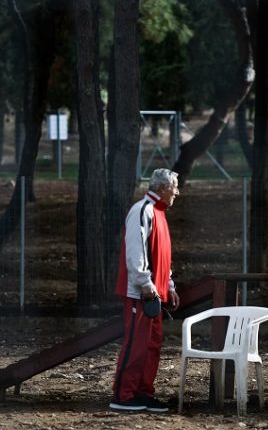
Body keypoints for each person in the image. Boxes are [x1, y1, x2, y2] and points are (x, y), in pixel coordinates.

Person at [110, 168, 181, 413]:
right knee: (136, 345)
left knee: (151, 346)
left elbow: (162, 256)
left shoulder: (158, 212)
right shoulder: (142, 211)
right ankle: (123, 395)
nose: (177, 192)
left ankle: (143, 392)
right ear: (162, 189)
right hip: (141, 293)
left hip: (154, 292)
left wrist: (168, 285)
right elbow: (136, 251)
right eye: (174, 188)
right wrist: (146, 284)